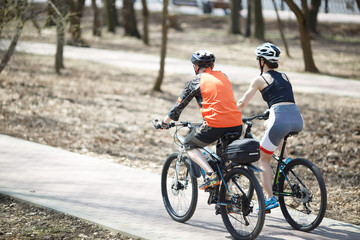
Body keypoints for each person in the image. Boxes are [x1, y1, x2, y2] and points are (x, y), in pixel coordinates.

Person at [154, 49, 243, 190]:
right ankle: (228, 201)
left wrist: (163, 123)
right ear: (212, 66)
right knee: (225, 163)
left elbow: (178, 106)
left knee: (189, 144)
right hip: (237, 124)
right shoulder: (223, 76)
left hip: (215, 124)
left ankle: (210, 174)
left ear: (195, 67)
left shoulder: (196, 80)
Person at [237, 42, 303, 211]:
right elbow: (283, 99)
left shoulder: (260, 79)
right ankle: (285, 160)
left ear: (261, 61)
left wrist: (231, 112)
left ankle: (269, 198)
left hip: (279, 119)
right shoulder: (285, 76)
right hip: (296, 118)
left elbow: (243, 103)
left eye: (257, 59)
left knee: (263, 159)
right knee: (269, 124)